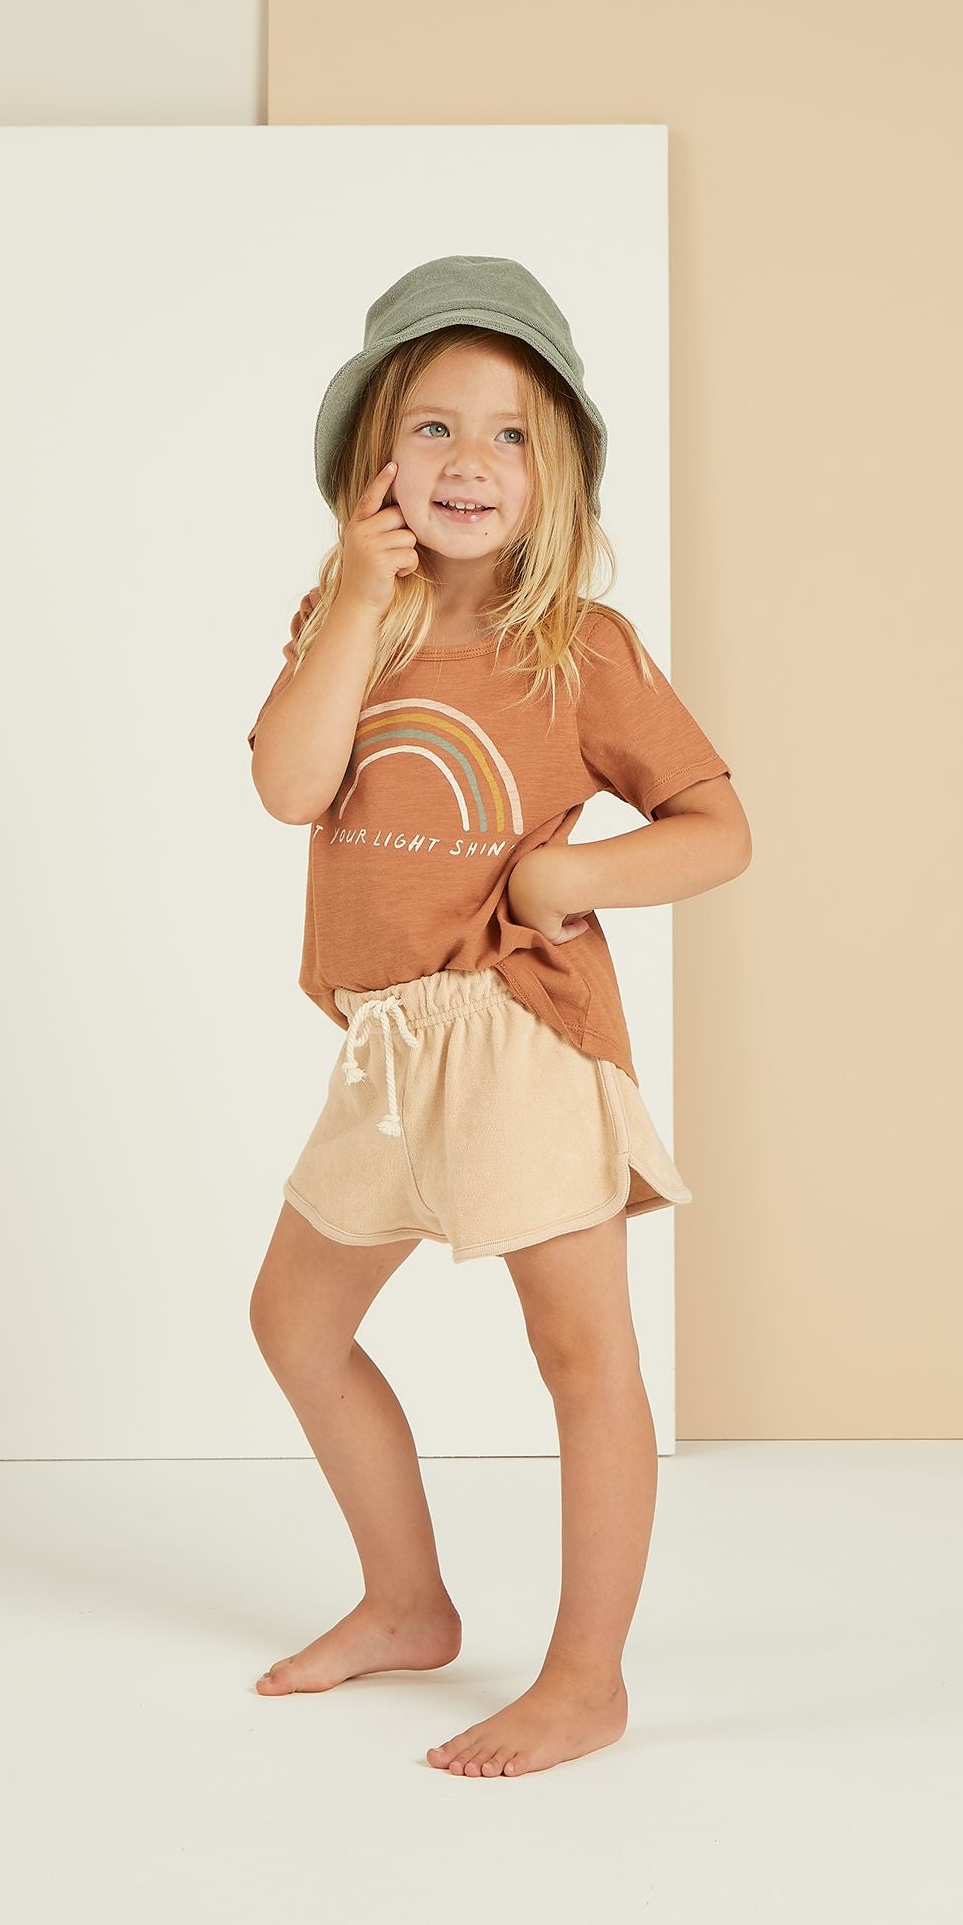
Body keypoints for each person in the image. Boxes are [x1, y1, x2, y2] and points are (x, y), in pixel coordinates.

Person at [244, 254, 751, 1777]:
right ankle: (407, 1604)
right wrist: (354, 598)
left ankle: (586, 1678)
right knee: (295, 1322)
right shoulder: (351, 619)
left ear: (558, 471)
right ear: (376, 461)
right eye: (436, 428)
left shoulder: (581, 647)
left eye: (513, 434)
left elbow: (718, 831)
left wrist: (574, 873)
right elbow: (291, 788)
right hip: (392, 1048)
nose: (472, 461)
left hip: (518, 1034)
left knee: (582, 1357)